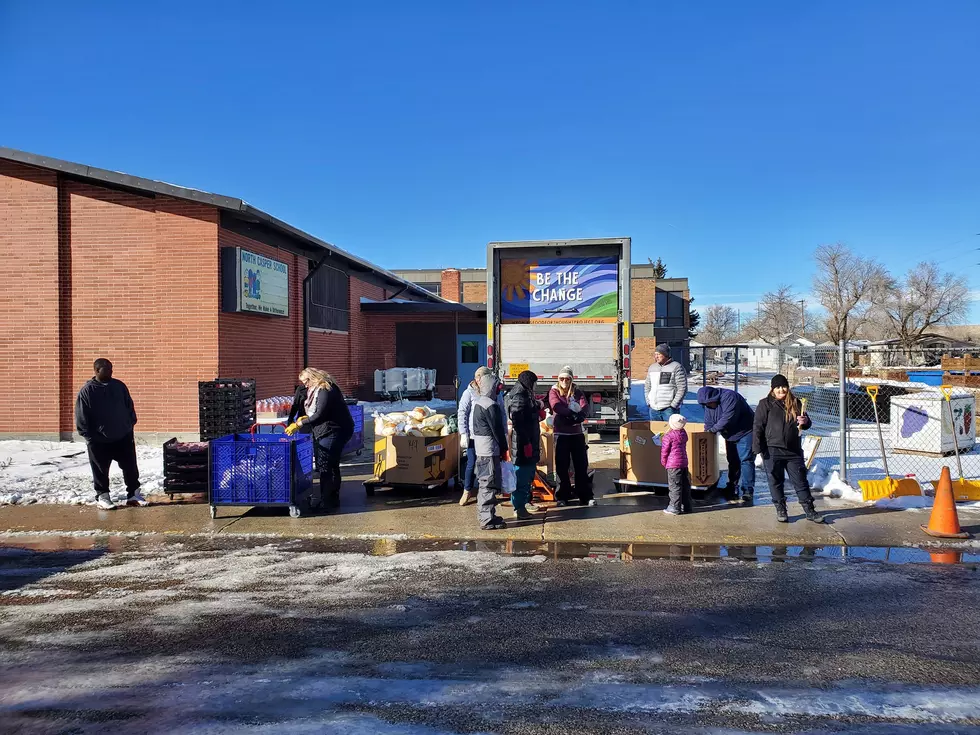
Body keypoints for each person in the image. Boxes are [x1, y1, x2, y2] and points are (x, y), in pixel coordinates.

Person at [75, 358, 146, 510]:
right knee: (100, 469)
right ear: (97, 371)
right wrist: (90, 437)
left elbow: (129, 407)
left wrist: (129, 426)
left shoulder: (119, 386)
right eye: (106, 369)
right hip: (99, 440)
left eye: (111, 368)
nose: (110, 371)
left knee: (130, 467)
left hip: (123, 436)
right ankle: (103, 496)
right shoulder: (87, 391)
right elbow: (82, 417)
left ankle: (133, 494)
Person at [754, 374, 824, 524]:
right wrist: (757, 447)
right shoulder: (765, 404)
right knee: (775, 480)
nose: (781, 390)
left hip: (793, 451)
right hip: (772, 450)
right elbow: (758, 426)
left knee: (800, 481)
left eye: (783, 386)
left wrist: (805, 422)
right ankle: (781, 509)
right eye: (778, 387)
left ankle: (809, 510)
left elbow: (805, 423)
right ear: (772, 389)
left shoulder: (796, 403)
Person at [286, 368, 354, 512]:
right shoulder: (321, 389)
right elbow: (317, 412)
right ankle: (332, 497)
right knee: (332, 464)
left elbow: (320, 414)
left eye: (306, 381)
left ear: (313, 378)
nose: (305, 385)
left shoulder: (324, 390)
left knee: (325, 466)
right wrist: (305, 418)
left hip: (333, 430)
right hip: (330, 429)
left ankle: (327, 501)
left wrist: (300, 423)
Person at [696, 386, 756, 505]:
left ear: (714, 397)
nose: (708, 406)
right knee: (733, 461)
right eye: (705, 404)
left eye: (709, 403)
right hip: (729, 434)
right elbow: (709, 420)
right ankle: (732, 486)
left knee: (746, 460)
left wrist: (713, 430)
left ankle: (747, 490)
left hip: (745, 431)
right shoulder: (709, 405)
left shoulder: (730, 397)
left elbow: (727, 418)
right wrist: (707, 432)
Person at [457, 366, 506, 506]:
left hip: (490, 437)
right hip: (474, 436)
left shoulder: (495, 393)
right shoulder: (469, 392)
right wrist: (463, 433)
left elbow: (501, 413)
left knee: (492, 466)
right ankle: (467, 490)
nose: (478, 380)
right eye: (476, 377)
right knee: (472, 464)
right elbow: (462, 413)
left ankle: (492, 490)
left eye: (481, 378)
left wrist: (503, 431)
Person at [548, 366, 596, 507]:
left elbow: (584, 405)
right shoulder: (554, 391)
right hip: (561, 434)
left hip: (576, 434)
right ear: (558, 379)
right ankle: (562, 496)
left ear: (571, 379)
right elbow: (555, 405)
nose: (564, 381)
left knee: (581, 465)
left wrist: (580, 415)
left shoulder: (577, 391)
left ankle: (585, 496)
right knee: (562, 466)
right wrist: (570, 414)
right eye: (561, 378)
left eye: (567, 379)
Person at [472, 372, 508, 530]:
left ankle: (486, 515)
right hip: (489, 450)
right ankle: (487, 519)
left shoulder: (480, 402)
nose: (499, 389)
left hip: (482, 450)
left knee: (484, 483)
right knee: (488, 483)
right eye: (497, 386)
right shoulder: (490, 405)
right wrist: (504, 448)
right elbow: (497, 430)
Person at [507, 370, 544, 520]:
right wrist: (526, 442)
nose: (535, 386)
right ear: (529, 382)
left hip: (527, 441)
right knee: (521, 477)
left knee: (527, 475)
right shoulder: (519, 396)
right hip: (523, 444)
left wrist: (537, 406)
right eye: (534, 382)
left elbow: (527, 411)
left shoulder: (524, 393)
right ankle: (519, 508)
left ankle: (523, 504)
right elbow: (518, 419)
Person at [660, 413, 693, 516]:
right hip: (683, 463)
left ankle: (674, 507)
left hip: (673, 464)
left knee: (674, 486)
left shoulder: (668, 436)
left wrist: (664, 462)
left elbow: (665, 451)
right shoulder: (683, 433)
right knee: (685, 485)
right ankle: (687, 506)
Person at [645, 344, 688, 421]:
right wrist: (649, 402)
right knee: (656, 432)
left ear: (666, 355)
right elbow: (647, 386)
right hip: (653, 409)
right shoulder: (652, 367)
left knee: (671, 432)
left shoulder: (676, 367)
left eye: (659, 354)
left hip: (669, 410)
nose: (656, 357)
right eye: (655, 354)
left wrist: (673, 405)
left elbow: (682, 388)